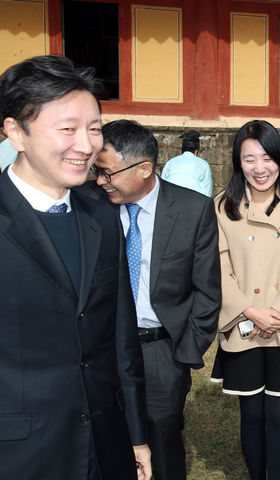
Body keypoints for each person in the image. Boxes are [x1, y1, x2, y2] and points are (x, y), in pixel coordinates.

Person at [0, 55, 151, 479]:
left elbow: (121, 338)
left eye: (94, 128)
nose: (85, 145)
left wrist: (136, 434)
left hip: (104, 445)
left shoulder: (100, 213)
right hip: (19, 454)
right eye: (67, 129)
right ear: (16, 132)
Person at [93, 119, 221, 480]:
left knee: (161, 443)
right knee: (104, 437)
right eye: (97, 172)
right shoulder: (89, 203)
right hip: (100, 348)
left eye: (108, 173)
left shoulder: (192, 210)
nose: (101, 181)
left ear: (145, 169)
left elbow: (207, 290)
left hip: (160, 351)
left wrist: (185, 351)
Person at [211, 119, 280, 480]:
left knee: (278, 414)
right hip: (244, 324)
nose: (260, 168)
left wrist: (278, 311)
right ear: (237, 162)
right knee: (252, 413)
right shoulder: (222, 206)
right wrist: (249, 310)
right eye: (249, 159)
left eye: (267, 157)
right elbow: (218, 268)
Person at [161, 130, 213, 196]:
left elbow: (162, 186)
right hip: (194, 200)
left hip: (171, 199)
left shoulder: (170, 163)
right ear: (196, 151)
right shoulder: (204, 164)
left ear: (181, 151)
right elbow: (208, 191)